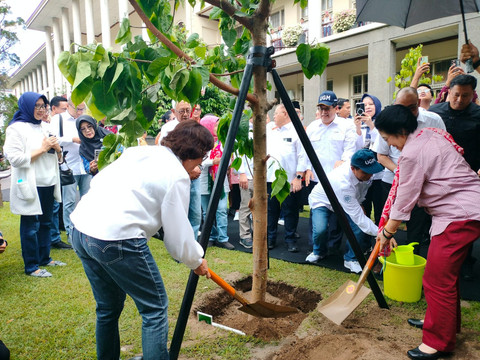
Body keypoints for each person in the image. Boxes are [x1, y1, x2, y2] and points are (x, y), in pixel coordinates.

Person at [70, 120, 212, 360]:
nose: (200, 166)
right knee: (154, 309)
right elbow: (178, 236)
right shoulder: (177, 175)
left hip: (81, 227)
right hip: (116, 237)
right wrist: (195, 260)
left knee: (107, 308)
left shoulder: (141, 151)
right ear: (192, 152)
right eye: (200, 159)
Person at [374, 104, 480, 360]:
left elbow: (404, 201)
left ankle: (438, 342)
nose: (392, 146)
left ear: (400, 131)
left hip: (459, 215)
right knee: (446, 276)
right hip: (464, 210)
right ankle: (443, 323)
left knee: (436, 278)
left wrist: (387, 234)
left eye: (389, 140)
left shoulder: (411, 153)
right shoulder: (430, 134)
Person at [373, 87, 445, 251]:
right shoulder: (389, 122)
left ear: (419, 103)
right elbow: (382, 155)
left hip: (429, 190)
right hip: (393, 181)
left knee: (415, 229)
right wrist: (402, 171)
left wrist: (412, 173)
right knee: (387, 224)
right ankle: (385, 260)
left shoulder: (433, 121)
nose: (391, 145)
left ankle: (411, 259)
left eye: (410, 108)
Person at [4, 92, 67, 277]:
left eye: (43, 106)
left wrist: (57, 150)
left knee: (47, 223)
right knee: (31, 226)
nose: (41, 110)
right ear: (27, 106)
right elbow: (15, 159)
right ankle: (32, 266)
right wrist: (44, 148)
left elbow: (58, 158)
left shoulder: (44, 127)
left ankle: (45, 258)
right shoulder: (16, 129)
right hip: (30, 183)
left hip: (48, 181)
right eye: (37, 106)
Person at [307, 149, 384, 273]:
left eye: (371, 171)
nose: (370, 175)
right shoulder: (342, 183)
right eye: (365, 172)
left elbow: (362, 189)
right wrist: (381, 233)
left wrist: (359, 202)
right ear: (353, 168)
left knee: (358, 229)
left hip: (347, 200)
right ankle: (318, 252)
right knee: (320, 229)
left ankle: (350, 259)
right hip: (323, 200)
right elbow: (359, 217)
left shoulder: (366, 172)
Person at [304, 91, 357, 255]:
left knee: (336, 218)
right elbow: (306, 150)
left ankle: (333, 247)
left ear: (336, 108)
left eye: (327, 108)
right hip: (317, 180)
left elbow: (350, 149)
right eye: (321, 108)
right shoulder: (313, 127)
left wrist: (343, 161)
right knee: (317, 219)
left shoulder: (346, 125)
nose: (324, 112)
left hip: (337, 180)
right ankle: (317, 248)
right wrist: (306, 168)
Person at [158, 101, 202, 237]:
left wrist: (197, 167)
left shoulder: (195, 127)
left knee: (195, 213)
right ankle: (179, 247)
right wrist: (186, 170)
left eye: (187, 110)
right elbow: (167, 154)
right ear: (173, 111)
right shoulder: (168, 129)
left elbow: (200, 151)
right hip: (177, 177)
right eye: (181, 111)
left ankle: (192, 244)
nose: (185, 114)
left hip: (194, 176)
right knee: (179, 213)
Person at [267, 104, 306, 252]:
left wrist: (298, 177)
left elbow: (302, 156)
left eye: (276, 113)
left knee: (290, 210)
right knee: (271, 211)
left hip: (290, 180)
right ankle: (270, 238)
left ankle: (290, 239)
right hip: (271, 179)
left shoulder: (296, 131)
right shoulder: (271, 129)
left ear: (285, 114)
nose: (274, 116)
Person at [50, 98, 90, 242]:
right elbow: (53, 139)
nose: (80, 112)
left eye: (82, 109)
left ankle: (87, 232)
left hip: (85, 165)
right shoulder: (58, 119)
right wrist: (72, 139)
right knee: (69, 202)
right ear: (68, 106)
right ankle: (70, 233)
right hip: (69, 166)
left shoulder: (84, 119)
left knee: (87, 199)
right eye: (77, 109)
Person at [199, 115, 235, 250]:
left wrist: (224, 162)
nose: (217, 128)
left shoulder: (223, 142)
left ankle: (223, 237)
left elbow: (229, 161)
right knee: (207, 212)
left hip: (220, 181)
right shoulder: (200, 142)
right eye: (215, 125)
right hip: (204, 181)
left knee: (221, 210)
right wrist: (212, 162)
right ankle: (211, 236)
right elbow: (198, 161)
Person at [353, 94, 383, 226]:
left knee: (380, 210)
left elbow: (381, 145)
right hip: (363, 174)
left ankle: (381, 241)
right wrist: (358, 128)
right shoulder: (355, 124)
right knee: (363, 209)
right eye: (364, 105)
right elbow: (356, 149)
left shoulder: (383, 122)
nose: (367, 107)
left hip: (379, 175)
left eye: (371, 104)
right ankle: (364, 242)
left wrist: (372, 125)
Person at [48, 96, 72, 250]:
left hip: (62, 165)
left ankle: (55, 234)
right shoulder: (52, 124)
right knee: (54, 204)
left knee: (58, 202)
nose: (65, 112)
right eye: (63, 109)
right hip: (51, 167)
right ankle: (53, 237)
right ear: (54, 109)